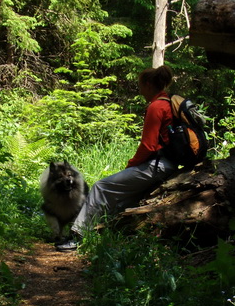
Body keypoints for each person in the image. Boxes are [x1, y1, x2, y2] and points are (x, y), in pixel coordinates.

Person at [55, 65, 178, 252]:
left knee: (101, 187)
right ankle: (103, 233)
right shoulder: (169, 103)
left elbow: (149, 146)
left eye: (140, 86)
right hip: (168, 164)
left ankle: (78, 236)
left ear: (148, 84)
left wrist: (131, 165)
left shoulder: (156, 106)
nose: (140, 90)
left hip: (157, 166)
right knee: (124, 196)